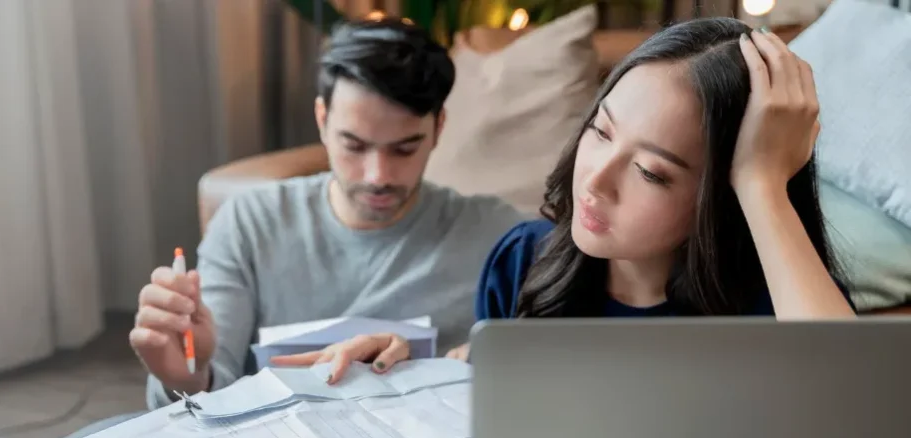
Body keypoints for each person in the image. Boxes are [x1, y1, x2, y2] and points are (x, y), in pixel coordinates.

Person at [273, 19, 856, 383]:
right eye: (600, 132)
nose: (595, 181)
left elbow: (856, 411)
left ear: (722, 194)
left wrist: (761, 182)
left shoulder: (774, 303)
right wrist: (415, 371)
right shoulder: (524, 262)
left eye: (651, 172)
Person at [129, 18, 527, 409]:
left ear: (438, 128)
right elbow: (209, 392)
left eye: (404, 149)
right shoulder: (250, 224)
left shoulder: (496, 235)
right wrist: (185, 377)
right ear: (322, 120)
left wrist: (480, 361)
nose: (378, 176)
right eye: (354, 145)